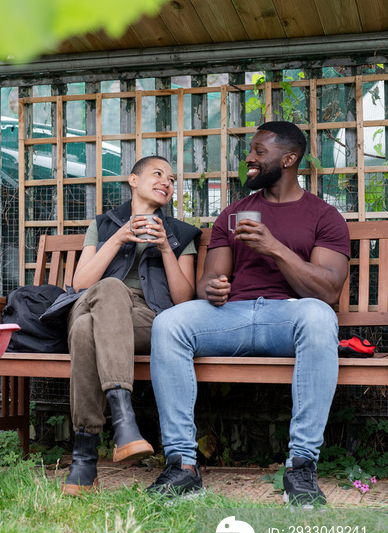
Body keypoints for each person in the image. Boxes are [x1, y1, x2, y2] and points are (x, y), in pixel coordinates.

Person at [147, 121, 350, 508]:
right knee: (169, 323)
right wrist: (213, 288)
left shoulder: (324, 217)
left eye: (259, 151)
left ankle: (301, 467)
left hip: (288, 318)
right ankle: (182, 465)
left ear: (289, 159)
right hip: (234, 316)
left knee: (319, 317)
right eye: (251, 151)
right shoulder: (233, 213)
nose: (250, 158)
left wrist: (275, 248)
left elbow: (327, 291)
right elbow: (210, 278)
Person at [63, 155, 201, 494]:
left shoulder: (182, 234)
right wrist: (120, 237)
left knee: (84, 332)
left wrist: (166, 247)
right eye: (158, 174)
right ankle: (123, 421)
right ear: (133, 180)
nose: (167, 183)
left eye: (171, 180)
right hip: (93, 301)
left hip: (145, 316)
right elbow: (80, 283)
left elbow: (184, 301)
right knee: (109, 289)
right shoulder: (104, 224)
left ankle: (84, 459)